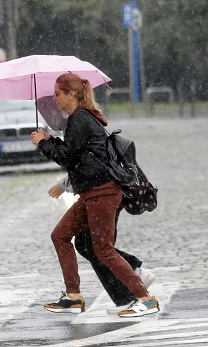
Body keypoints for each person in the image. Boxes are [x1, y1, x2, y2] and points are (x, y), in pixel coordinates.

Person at [30, 73, 160, 318]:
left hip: (102, 192)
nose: (55, 99)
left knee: (103, 250)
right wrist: (49, 139)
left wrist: (43, 144)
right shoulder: (79, 118)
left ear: (72, 94)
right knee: (60, 235)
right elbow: (73, 153)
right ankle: (74, 296)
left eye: (58, 94)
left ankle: (145, 299)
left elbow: (66, 157)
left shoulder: (80, 118)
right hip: (91, 193)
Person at [48, 177, 154, 311]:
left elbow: (93, 163)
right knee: (78, 242)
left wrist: (64, 184)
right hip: (93, 191)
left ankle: (135, 296)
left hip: (103, 190)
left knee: (100, 248)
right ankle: (75, 296)